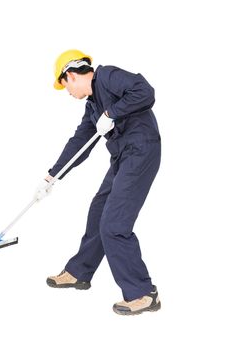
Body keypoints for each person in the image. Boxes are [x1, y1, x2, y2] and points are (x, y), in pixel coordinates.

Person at [35, 49, 161, 316]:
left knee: (114, 225)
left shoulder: (107, 76)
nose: (67, 92)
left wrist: (113, 112)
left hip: (141, 151)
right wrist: (52, 175)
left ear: (70, 75)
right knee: (98, 212)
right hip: (122, 156)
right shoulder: (92, 105)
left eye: (64, 85)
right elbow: (79, 142)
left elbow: (145, 91)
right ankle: (79, 272)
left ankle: (142, 293)